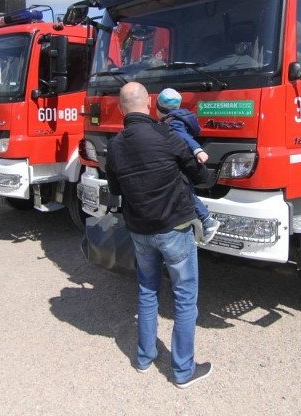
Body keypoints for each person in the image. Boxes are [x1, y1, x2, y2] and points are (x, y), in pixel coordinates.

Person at [105, 81, 213, 389]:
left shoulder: (115, 145)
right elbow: (200, 177)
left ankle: (144, 358)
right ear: (150, 102)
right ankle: (182, 371)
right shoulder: (166, 135)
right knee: (184, 298)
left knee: (147, 291)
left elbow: (115, 190)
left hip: (140, 232)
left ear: (121, 107)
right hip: (175, 229)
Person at [156, 88, 220, 244]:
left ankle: (207, 221)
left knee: (187, 193)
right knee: (188, 192)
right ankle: (200, 217)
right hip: (186, 159)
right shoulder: (183, 117)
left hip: (184, 160)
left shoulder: (173, 122)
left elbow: (184, 137)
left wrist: (198, 150)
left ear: (158, 108)